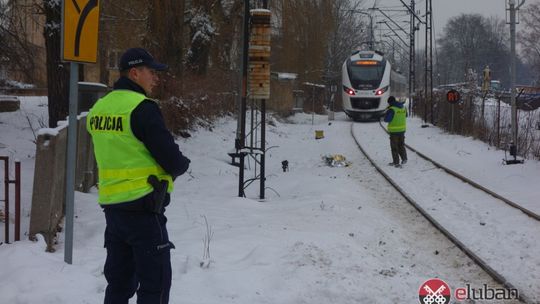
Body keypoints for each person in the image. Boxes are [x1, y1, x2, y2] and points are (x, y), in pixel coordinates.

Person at [87, 47, 190, 304]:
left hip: (113, 211)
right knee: (155, 285)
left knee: (119, 285)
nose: (156, 78)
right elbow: (172, 160)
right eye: (151, 72)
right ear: (135, 73)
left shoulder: (98, 109)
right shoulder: (142, 108)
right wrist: (181, 164)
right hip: (144, 210)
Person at [383, 95, 407, 168]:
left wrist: (386, 114)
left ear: (390, 102)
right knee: (401, 145)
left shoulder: (392, 109)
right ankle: (404, 158)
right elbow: (406, 115)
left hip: (394, 131)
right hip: (402, 130)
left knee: (394, 147)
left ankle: (396, 162)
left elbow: (387, 119)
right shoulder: (403, 107)